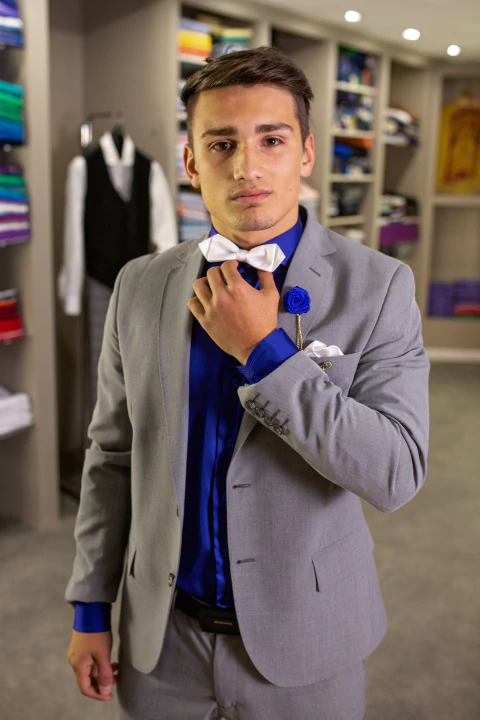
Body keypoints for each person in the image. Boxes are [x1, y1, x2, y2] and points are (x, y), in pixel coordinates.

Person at [66, 46, 430, 720]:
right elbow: (112, 457)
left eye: (271, 139)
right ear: (191, 163)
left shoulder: (380, 288)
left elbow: (395, 472)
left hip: (307, 642)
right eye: (221, 143)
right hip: (162, 642)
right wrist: (91, 606)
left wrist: (266, 354)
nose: (246, 166)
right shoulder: (138, 285)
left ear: (306, 154)